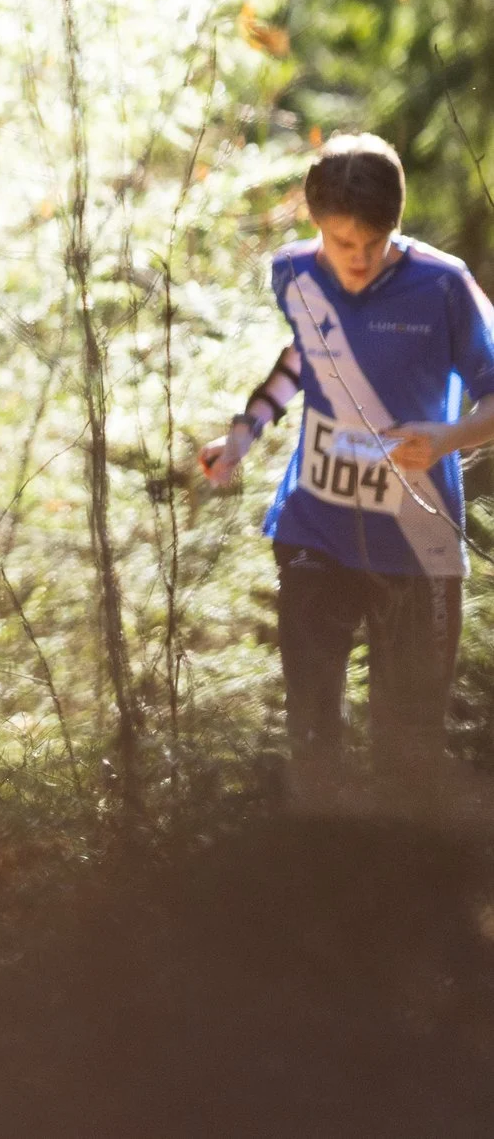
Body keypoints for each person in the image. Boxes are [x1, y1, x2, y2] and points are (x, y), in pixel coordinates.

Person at [200, 133, 494, 807]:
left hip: (417, 549)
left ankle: (405, 897)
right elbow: (306, 353)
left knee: (408, 744)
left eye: (372, 244)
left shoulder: (444, 286)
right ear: (315, 226)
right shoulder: (294, 273)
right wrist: (244, 432)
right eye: (340, 243)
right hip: (315, 530)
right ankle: (317, 877)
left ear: (395, 225)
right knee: (312, 730)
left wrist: (448, 437)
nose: (356, 261)